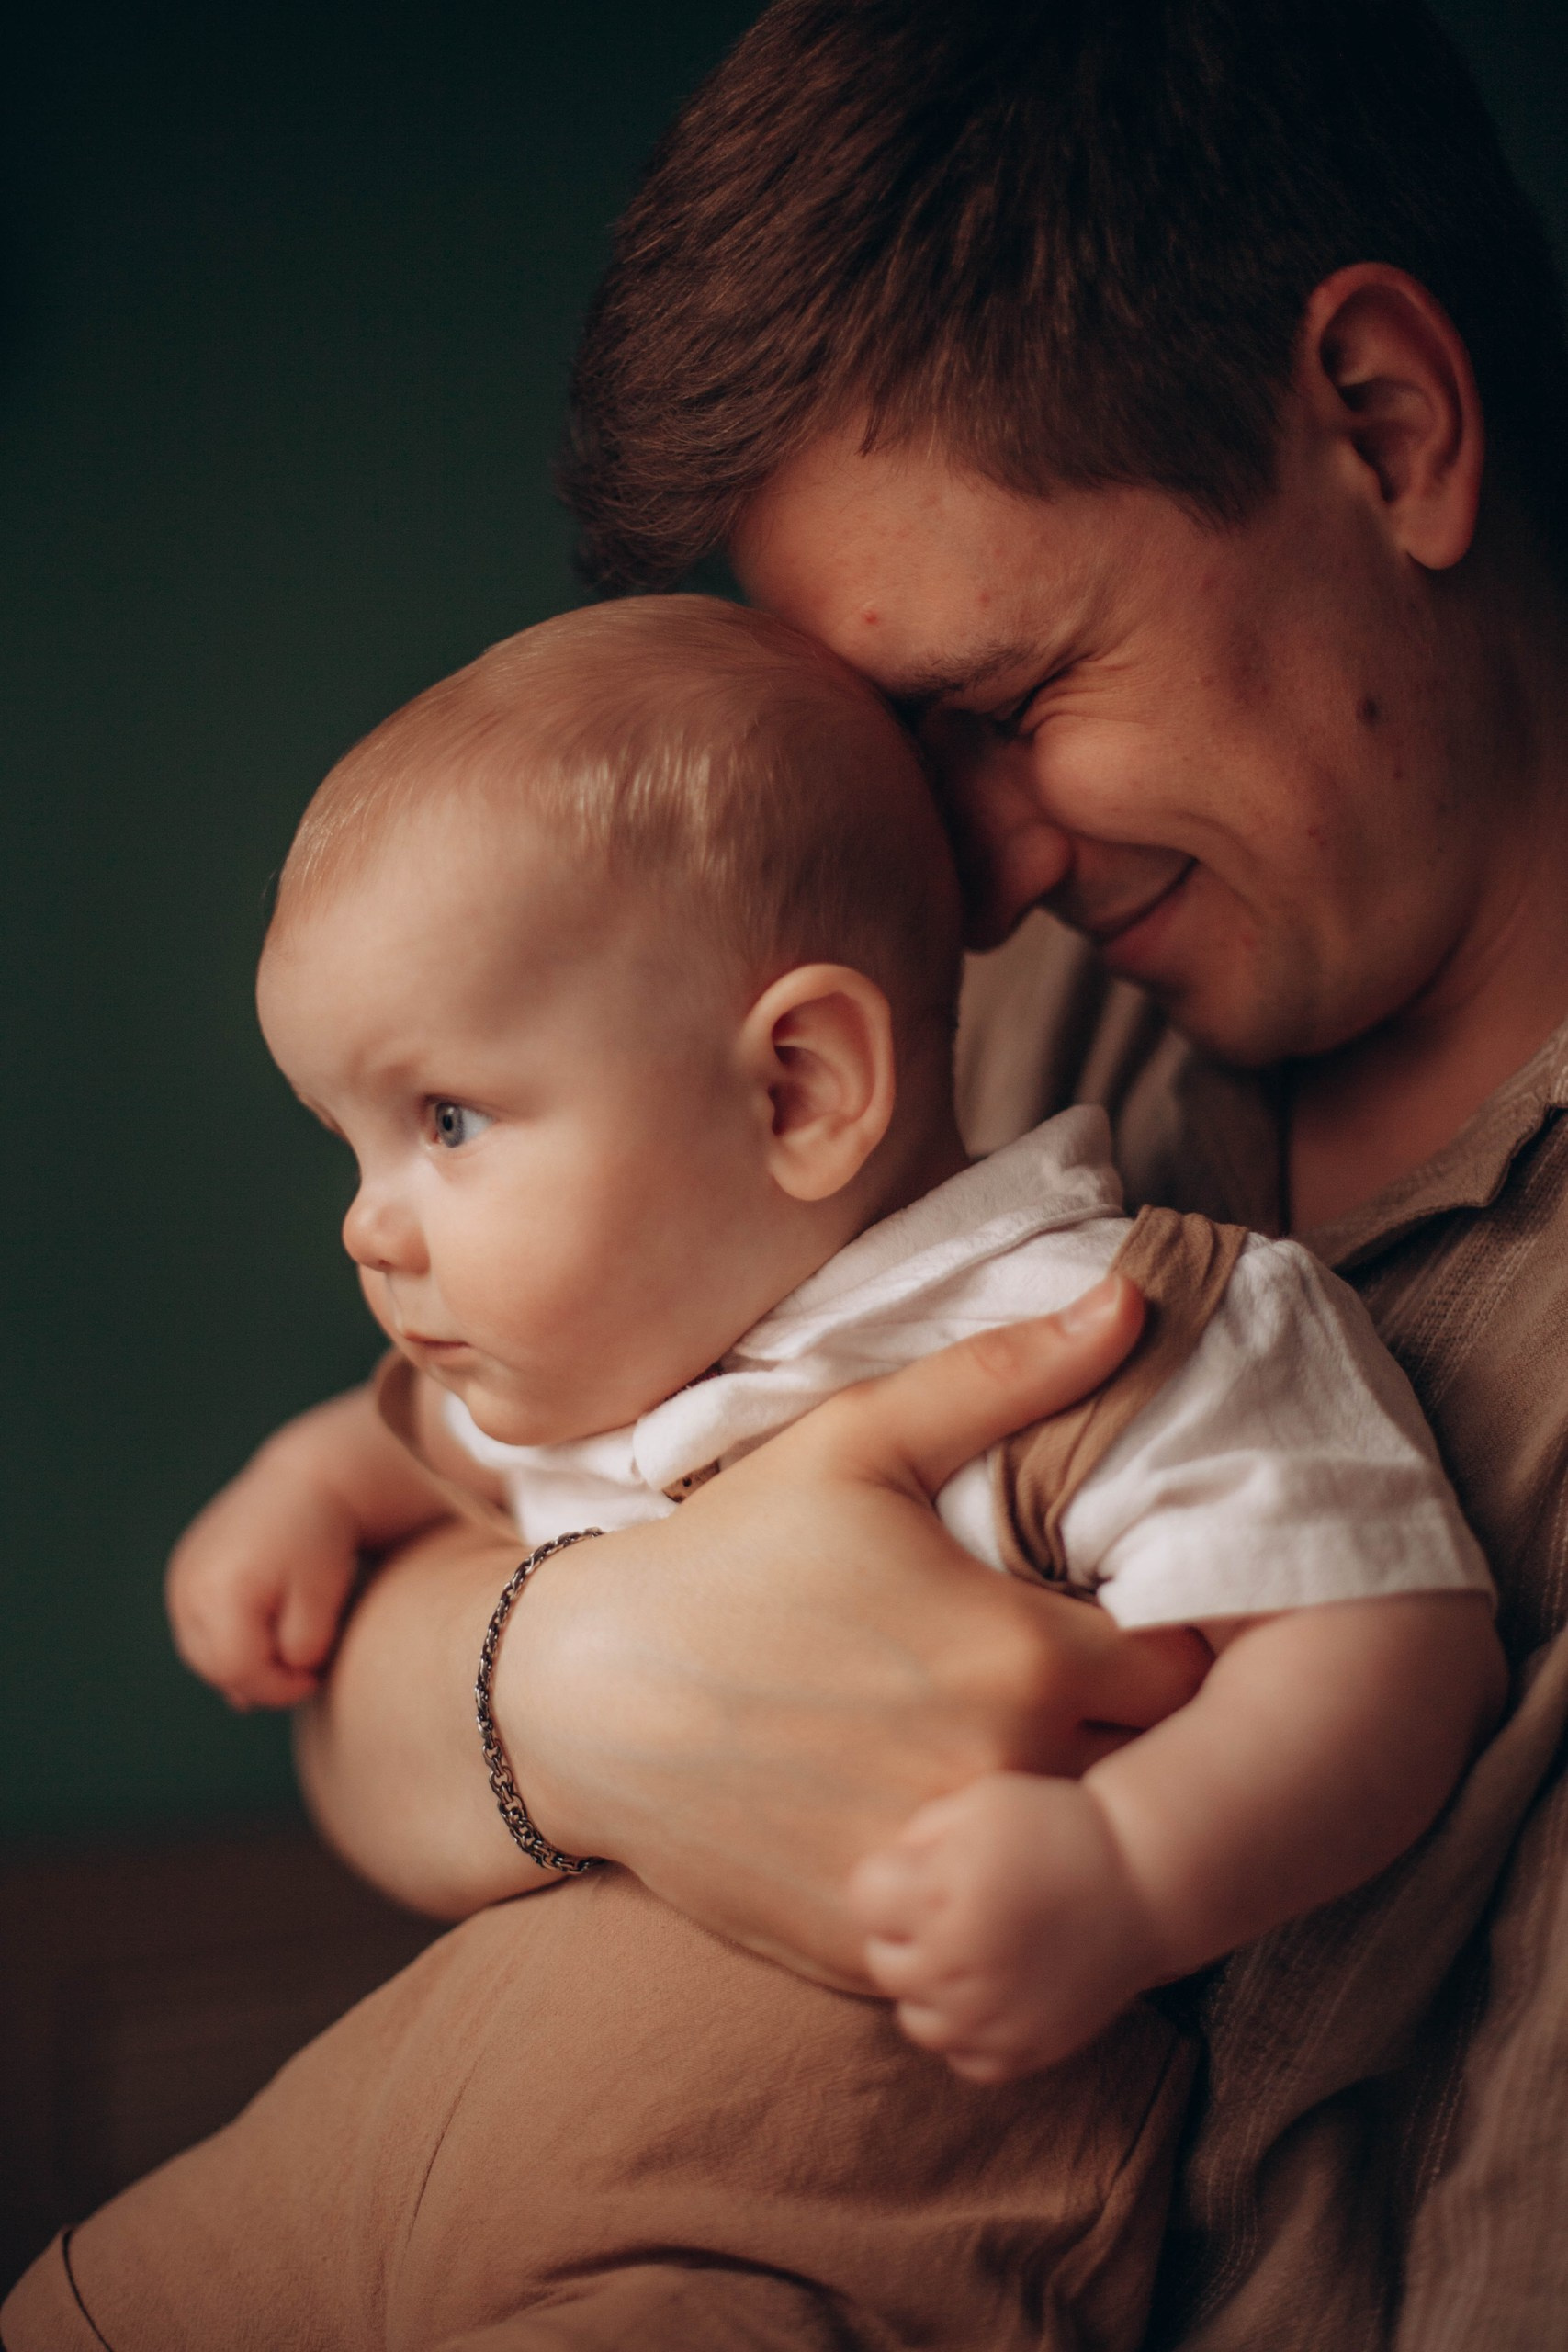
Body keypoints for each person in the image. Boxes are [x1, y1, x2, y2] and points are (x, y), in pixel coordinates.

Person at [9, 0, 1568, 2343]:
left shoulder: (1091, 1242)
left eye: (998, 704)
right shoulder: (1015, 1024)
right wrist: (601, 1682)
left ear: (1380, 425)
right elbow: (370, 1689)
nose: (963, 874)